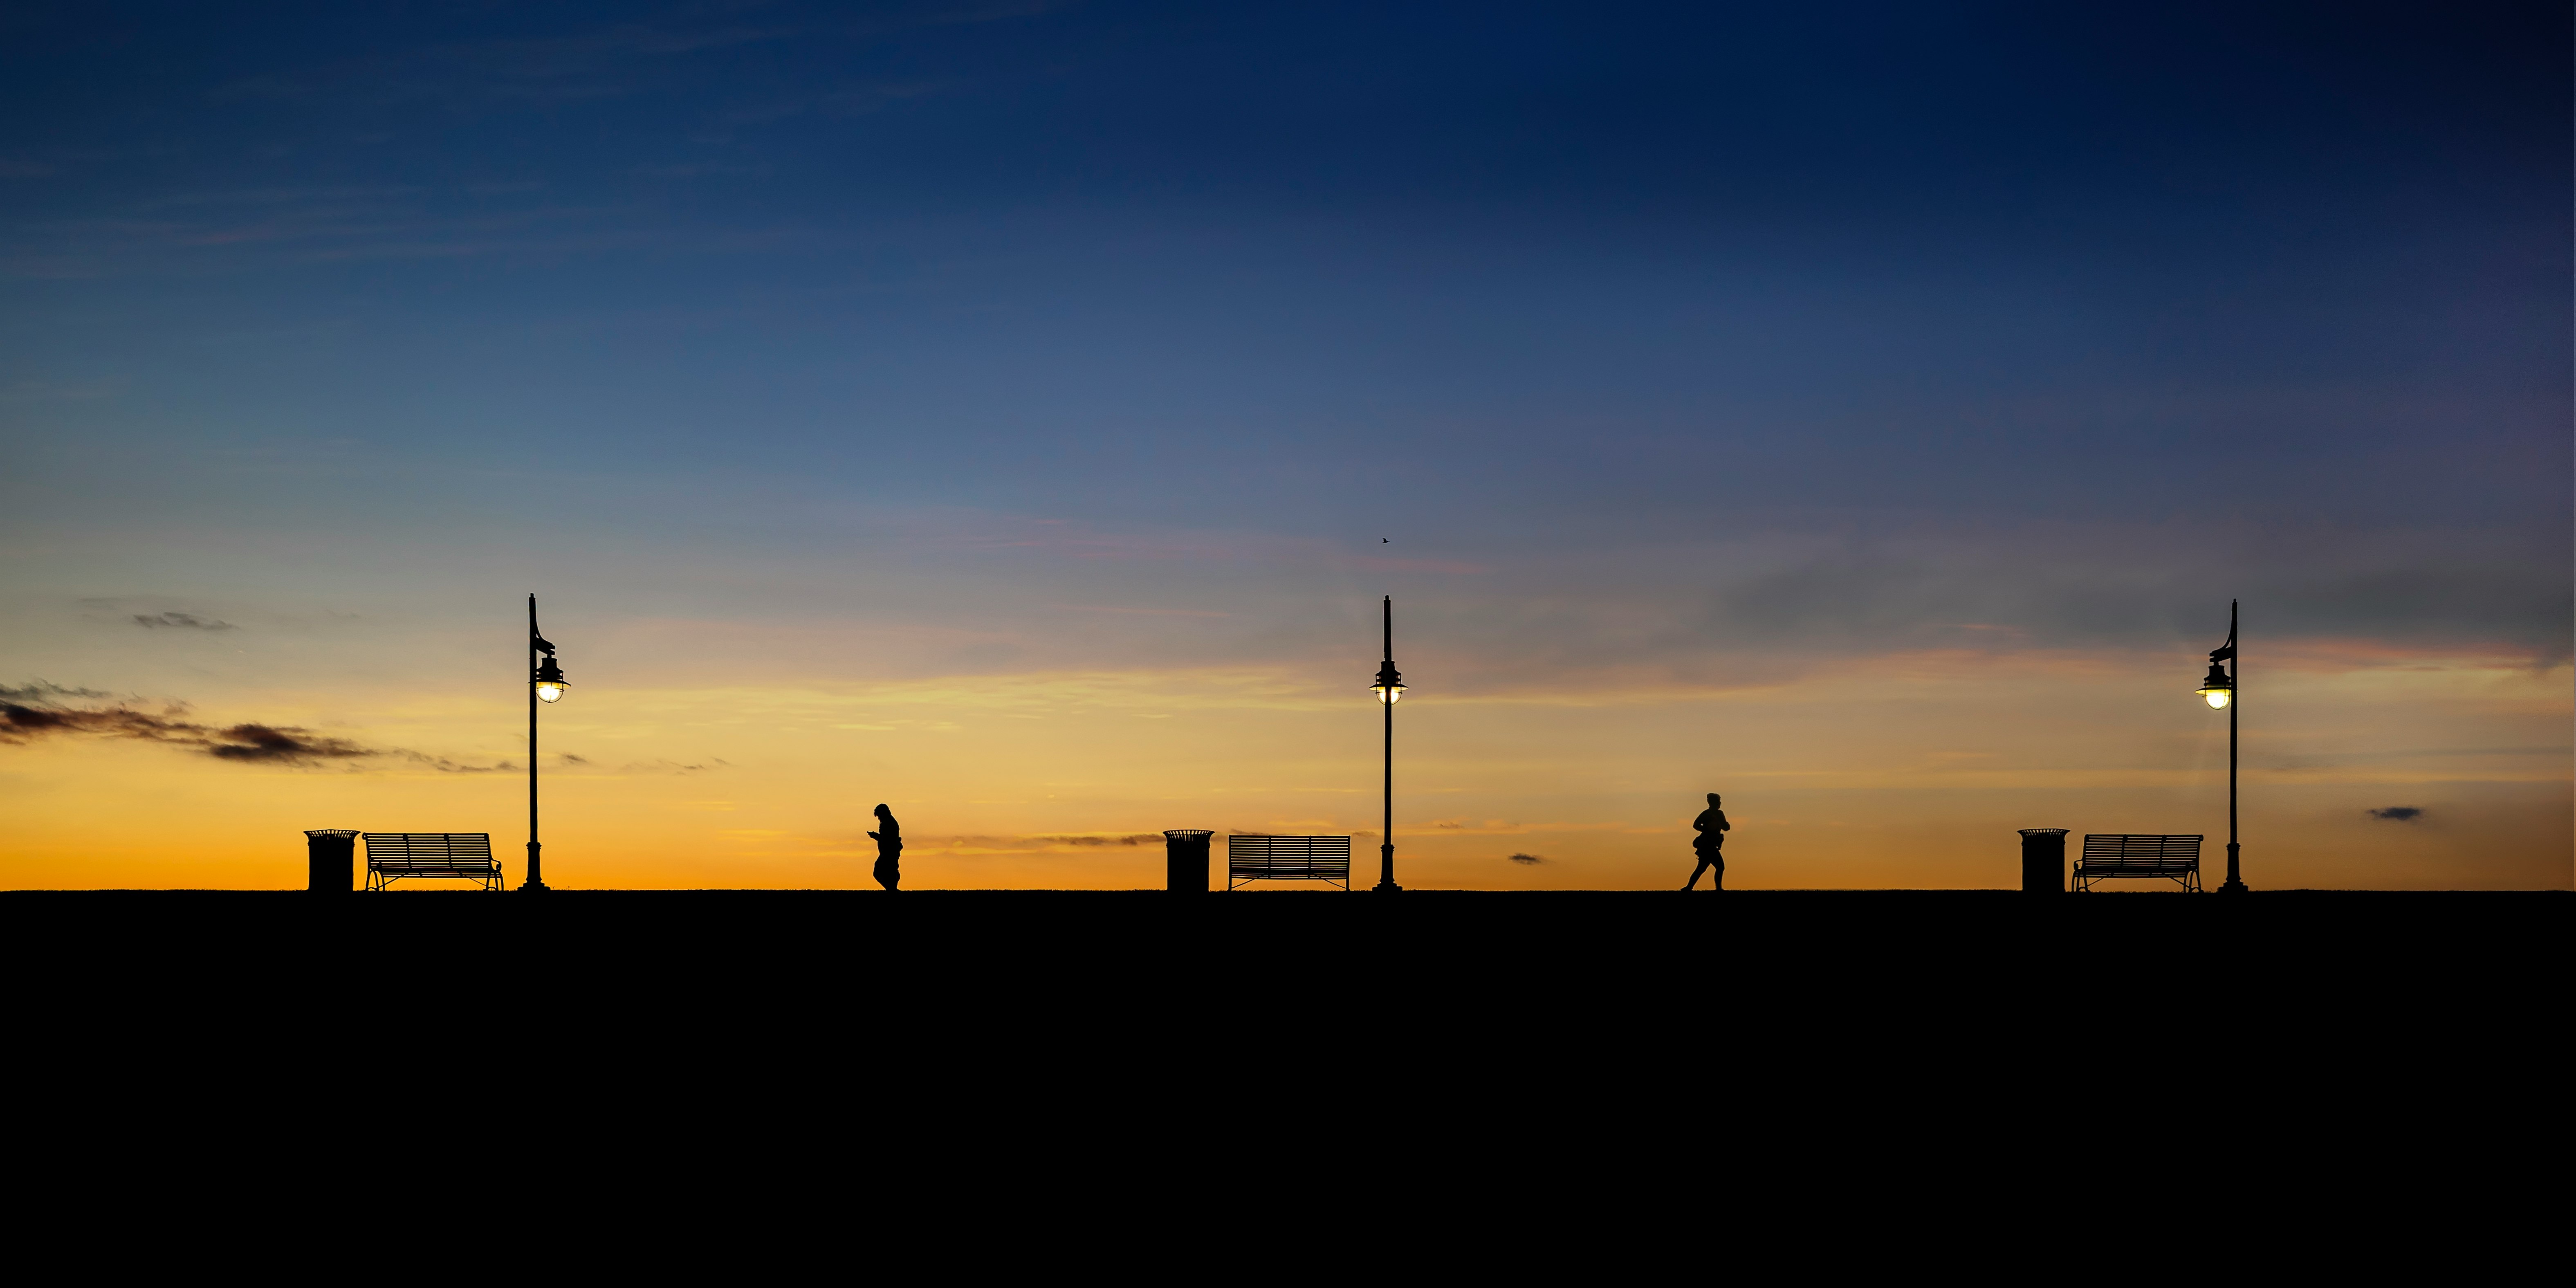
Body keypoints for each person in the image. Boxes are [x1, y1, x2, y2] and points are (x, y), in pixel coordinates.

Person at [1684, 793, 1729, 891]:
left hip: (1707, 845)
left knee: (1702, 869)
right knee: (1719, 867)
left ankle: (1688, 888)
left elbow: (1696, 825)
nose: (1720, 803)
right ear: (1713, 802)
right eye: (1718, 801)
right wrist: (1708, 830)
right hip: (1710, 845)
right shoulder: (1718, 813)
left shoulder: (1706, 813)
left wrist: (1706, 830)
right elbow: (1726, 827)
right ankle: (1718, 889)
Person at [868, 804, 903, 891]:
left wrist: (876, 836)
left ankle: (891, 889)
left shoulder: (889, 823)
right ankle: (892, 889)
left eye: (879, 816)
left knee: (881, 871)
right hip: (888, 852)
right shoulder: (887, 822)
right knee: (890, 871)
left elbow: (888, 839)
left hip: (890, 852)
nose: (878, 818)